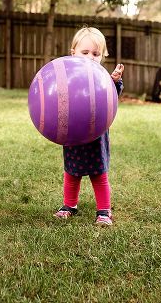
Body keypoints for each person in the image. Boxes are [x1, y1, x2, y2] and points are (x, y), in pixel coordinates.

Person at [54, 26, 124, 226]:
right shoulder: (68, 77)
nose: (90, 57)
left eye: (96, 53)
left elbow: (111, 97)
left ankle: (104, 211)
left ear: (102, 56)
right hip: (73, 133)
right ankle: (69, 205)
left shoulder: (102, 78)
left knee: (98, 173)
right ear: (73, 53)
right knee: (72, 172)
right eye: (85, 52)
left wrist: (115, 82)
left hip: (96, 135)